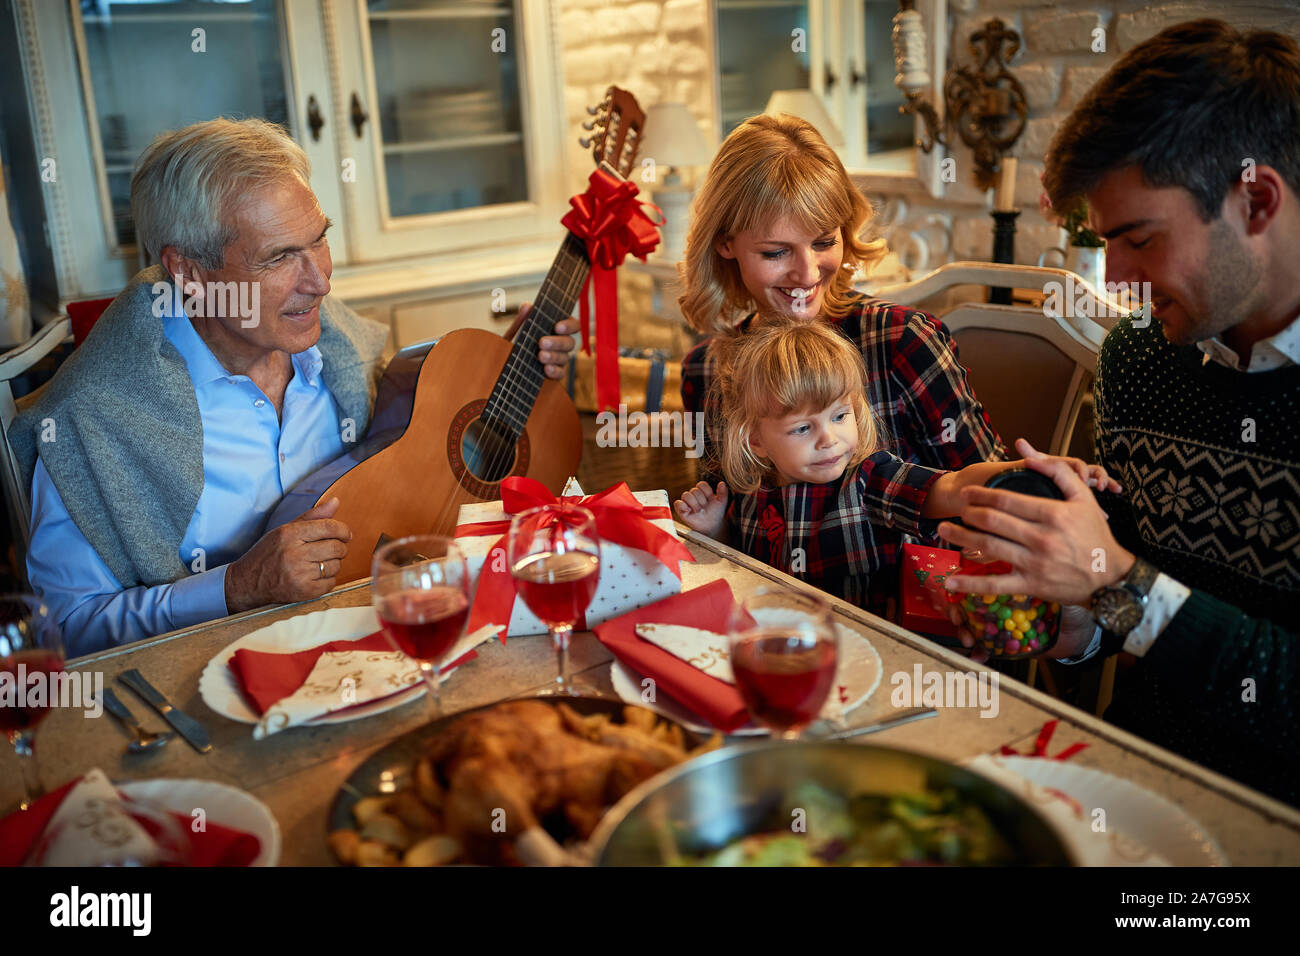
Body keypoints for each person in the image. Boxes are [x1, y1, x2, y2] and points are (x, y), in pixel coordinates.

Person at [11, 118, 577, 657]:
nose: (321, 279)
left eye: (319, 239)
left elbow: (412, 447)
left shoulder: (340, 349)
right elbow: (64, 631)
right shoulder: (93, 420)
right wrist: (232, 587)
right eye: (280, 256)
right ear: (188, 272)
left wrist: (504, 366)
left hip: (383, 639)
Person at [937, 19, 1300, 806]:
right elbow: (1125, 603)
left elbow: (1138, 590)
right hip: (1128, 794)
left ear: (1257, 200)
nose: (1120, 281)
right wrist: (1072, 622)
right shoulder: (1141, 357)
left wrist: (1114, 581)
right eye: (1105, 243)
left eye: (1139, 238)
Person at [673, 319, 1117, 615]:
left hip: (883, 660)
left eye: (839, 415)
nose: (829, 438)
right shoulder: (751, 499)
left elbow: (956, 485)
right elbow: (742, 571)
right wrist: (715, 532)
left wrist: (1029, 470)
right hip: (788, 654)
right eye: (802, 428)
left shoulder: (870, 479)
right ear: (756, 439)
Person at [679, 113, 1006, 489]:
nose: (807, 274)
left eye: (823, 243)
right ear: (724, 243)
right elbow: (720, 524)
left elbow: (997, 493)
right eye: (775, 252)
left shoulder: (902, 341)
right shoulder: (703, 373)